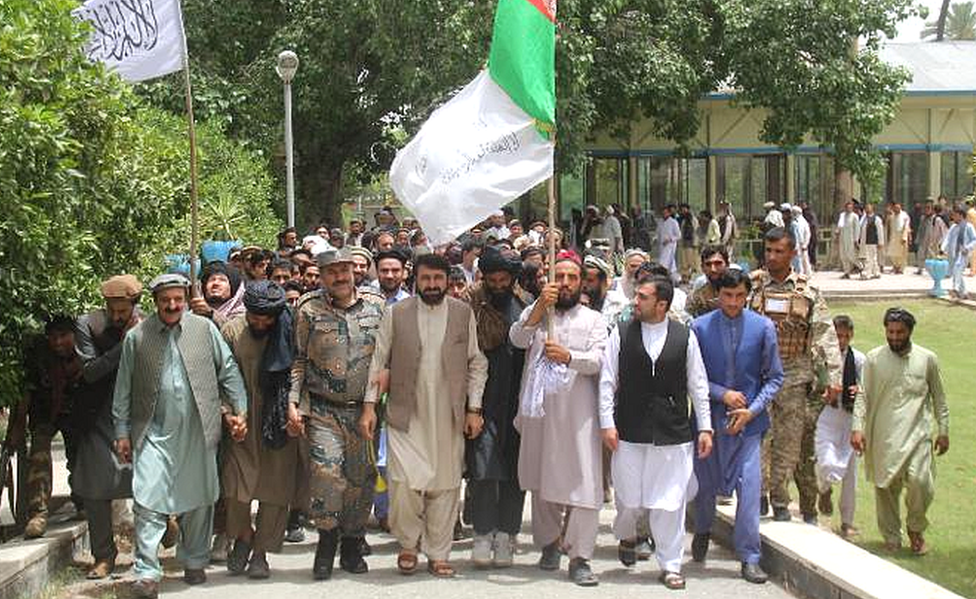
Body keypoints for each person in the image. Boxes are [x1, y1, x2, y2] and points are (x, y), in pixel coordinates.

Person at [112, 274, 248, 599]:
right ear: (155, 302)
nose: (172, 306)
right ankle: (146, 573)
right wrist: (121, 432)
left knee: (200, 499)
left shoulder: (204, 330)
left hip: (198, 429)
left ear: (186, 299)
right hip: (152, 432)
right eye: (165, 301)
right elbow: (123, 389)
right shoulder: (137, 337)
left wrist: (240, 411)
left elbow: (228, 370)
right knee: (146, 500)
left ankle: (194, 560)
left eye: (178, 300)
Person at [360, 253, 488, 577]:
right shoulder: (396, 313)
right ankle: (407, 544)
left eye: (438, 279)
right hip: (406, 412)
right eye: (426, 279)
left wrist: (474, 408)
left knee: (445, 484)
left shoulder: (462, 313)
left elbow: (477, 362)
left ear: (447, 281)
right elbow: (378, 362)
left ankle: (438, 552)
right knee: (402, 482)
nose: (432, 285)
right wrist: (369, 407)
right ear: (414, 279)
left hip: (449, 414)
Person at [600, 275, 713, 590]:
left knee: (669, 502)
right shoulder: (621, 333)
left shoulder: (684, 337)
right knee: (628, 498)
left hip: (672, 432)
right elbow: (607, 381)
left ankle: (670, 564)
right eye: (636, 295)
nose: (636, 301)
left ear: (662, 304)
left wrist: (705, 427)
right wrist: (606, 422)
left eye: (643, 297)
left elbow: (698, 384)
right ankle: (627, 534)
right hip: (629, 430)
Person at [510, 255, 608, 586]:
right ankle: (550, 543)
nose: (565, 282)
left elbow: (598, 361)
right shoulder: (537, 314)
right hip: (540, 412)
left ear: (581, 282)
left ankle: (580, 556)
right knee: (543, 482)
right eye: (559, 276)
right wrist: (539, 307)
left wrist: (569, 358)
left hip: (579, 415)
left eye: (572, 277)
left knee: (585, 485)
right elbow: (517, 340)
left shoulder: (594, 319)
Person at [289, 249, 384, 579]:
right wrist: (293, 402)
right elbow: (299, 359)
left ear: (355, 271)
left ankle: (353, 542)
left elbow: (385, 360)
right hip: (323, 410)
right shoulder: (308, 309)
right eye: (332, 272)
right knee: (326, 474)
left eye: (345, 270)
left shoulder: (377, 305)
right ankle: (327, 539)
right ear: (321, 275)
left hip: (365, 411)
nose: (340, 277)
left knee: (361, 479)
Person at [690, 269, 783, 584]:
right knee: (704, 486)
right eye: (727, 296)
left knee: (750, 487)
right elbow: (694, 377)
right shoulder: (699, 328)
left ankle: (749, 556)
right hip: (710, 422)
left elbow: (774, 378)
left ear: (748, 295)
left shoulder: (763, 328)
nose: (733, 302)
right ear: (717, 295)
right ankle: (702, 531)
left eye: (739, 296)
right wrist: (722, 393)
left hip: (749, 425)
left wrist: (752, 410)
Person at [750, 228, 841, 523]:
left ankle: (779, 496)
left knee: (789, 442)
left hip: (794, 376)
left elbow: (825, 334)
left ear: (791, 253)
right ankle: (759, 492)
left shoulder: (808, 291)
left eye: (778, 251)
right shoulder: (752, 286)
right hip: (758, 376)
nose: (772, 256)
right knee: (760, 437)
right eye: (768, 250)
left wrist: (834, 377)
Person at [220, 281, 302, 579]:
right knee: (235, 486)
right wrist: (229, 413)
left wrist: (294, 406)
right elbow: (221, 376)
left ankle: (261, 553)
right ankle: (243, 534)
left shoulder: (291, 330)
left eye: (267, 318)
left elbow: (299, 369)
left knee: (275, 490)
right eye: (255, 316)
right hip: (242, 420)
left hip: (279, 418)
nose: (260, 322)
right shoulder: (231, 330)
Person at [851, 308, 948, 554]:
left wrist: (943, 429)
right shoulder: (874, 359)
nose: (894, 336)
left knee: (921, 481)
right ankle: (891, 537)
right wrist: (857, 428)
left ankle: (916, 527)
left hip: (919, 435)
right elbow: (863, 397)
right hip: (883, 434)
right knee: (886, 487)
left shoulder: (927, 359)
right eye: (890, 331)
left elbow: (939, 397)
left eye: (899, 332)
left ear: (910, 332)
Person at [72, 275, 144, 579]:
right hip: (99, 414)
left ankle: (149, 550)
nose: (116, 317)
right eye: (112, 310)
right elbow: (90, 371)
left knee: (148, 483)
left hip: (140, 414)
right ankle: (104, 555)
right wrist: (128, 342)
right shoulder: (87, 325)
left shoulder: (151, 325)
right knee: (96, 489)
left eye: (123, 311)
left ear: (135, 305)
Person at [464, 248, 531, 568]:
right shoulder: (470, 302)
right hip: (482, 400)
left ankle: (506, 535)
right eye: (492, 279)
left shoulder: (527, 301)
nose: (498, 284)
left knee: (516, 473)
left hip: (519, 399)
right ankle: (482, 533)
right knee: (483, 471)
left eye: (504, 279)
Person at [7, 316, 84, 539]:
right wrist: (18, 425)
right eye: (53, 337)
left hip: (75, 413)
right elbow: (26, 391)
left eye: (63, 337)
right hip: (44, 412)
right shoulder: (38, 356)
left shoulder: (84, 349)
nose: (58, 342)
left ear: (73, 336)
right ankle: (38, 514)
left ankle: (82, 502)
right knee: (39, 457)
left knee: (79, 458)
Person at [814, 315, 864, 539]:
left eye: (845, 336)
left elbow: (866, 389)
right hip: (826, 416)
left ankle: (847, 521)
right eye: (837, 336)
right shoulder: (820, 357)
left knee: (851, 474)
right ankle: (824, 489)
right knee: (826, 463)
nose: (841, 341)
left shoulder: (860, 360)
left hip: (850, 418)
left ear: (851, 336)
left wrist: (858, 390)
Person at [190, 262, 246, 326]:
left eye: (222, 280)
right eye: (212, 280)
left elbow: (234, 331)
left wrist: (211, 313)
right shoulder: (193, 314)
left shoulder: (244, 315)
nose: (216, 283)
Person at [582, 254, 629, 329]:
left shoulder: (619, 304)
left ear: (603, 282)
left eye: (590, 281)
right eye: (582, 280)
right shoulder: (575, 303)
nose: (584, 285)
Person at [941, 205, 976, 300]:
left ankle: (955, 289)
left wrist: (967, 248)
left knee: (957, 269)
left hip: (963, 254)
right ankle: (964, 293)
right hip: (953, 253)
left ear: (961, 215)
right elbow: (947, 238)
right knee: (957, 272)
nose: (953, 217)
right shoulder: (953, 227)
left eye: (955, 215)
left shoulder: (968, 227)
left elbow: (974, 239)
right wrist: (943, 248)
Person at [686, 245, 729, 317]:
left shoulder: (741, 292)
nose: (713, 269)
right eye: (708, 264)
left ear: (727, 265)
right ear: (702, 268)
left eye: (718, 263)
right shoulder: (696, 298)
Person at [858, 204, 885, 280]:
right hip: (864, 241)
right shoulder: (864, 219)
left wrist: (881, 242)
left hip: (872, 241)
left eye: (868, 208)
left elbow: (880, 231)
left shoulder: (876, 219)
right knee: (872, 258)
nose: (867, 209)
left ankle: (867, 274)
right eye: (866, 208)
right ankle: (876, 272)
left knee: (869, 258)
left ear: (872, 209)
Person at [656, 205, 680, 282]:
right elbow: (658, 233)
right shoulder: (660, 222)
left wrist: (670, 239)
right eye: (663, 213)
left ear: (669, 213)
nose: (664, 214)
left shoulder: (673, 222)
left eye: (666, 213)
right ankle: (672, 277)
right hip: (661, 245)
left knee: (665, 262)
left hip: (670, 245)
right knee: (668, 263)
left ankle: (664, 276)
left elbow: (679, 235)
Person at [836, 202, 860, 279]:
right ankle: (846, 272)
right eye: (847, 207)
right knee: (843, 255)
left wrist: (856, 239)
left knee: (851, 255)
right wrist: (837, 235)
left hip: (851, 238)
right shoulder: (842, 215)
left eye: (850, 207)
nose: (848, 209)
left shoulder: (854, 216)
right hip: (842, 238)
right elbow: (839, 226)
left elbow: (857, 229)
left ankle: (860, 266)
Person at [886, 202, 911, 274]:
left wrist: (905, 237)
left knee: (902, 254)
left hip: (901, 236)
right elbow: (888, 227)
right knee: (893, 253)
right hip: (893, 237)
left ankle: (901, 268)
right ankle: (895, 266)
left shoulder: (905, 215)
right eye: (895, 208)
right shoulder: (892, 216)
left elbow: (906, 227)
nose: (897, 209)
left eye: (898, 208)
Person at [678, 204, 700, 282]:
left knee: (692, 262)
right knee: (684, 262)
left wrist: (695, 243)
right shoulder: (683, 220)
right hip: (684, 244)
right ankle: (685, 278)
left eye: (685, 210)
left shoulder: (693, 220)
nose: (683, 211)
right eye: (682, 210)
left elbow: (696, 232)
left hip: (691, 244)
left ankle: (692, 278)